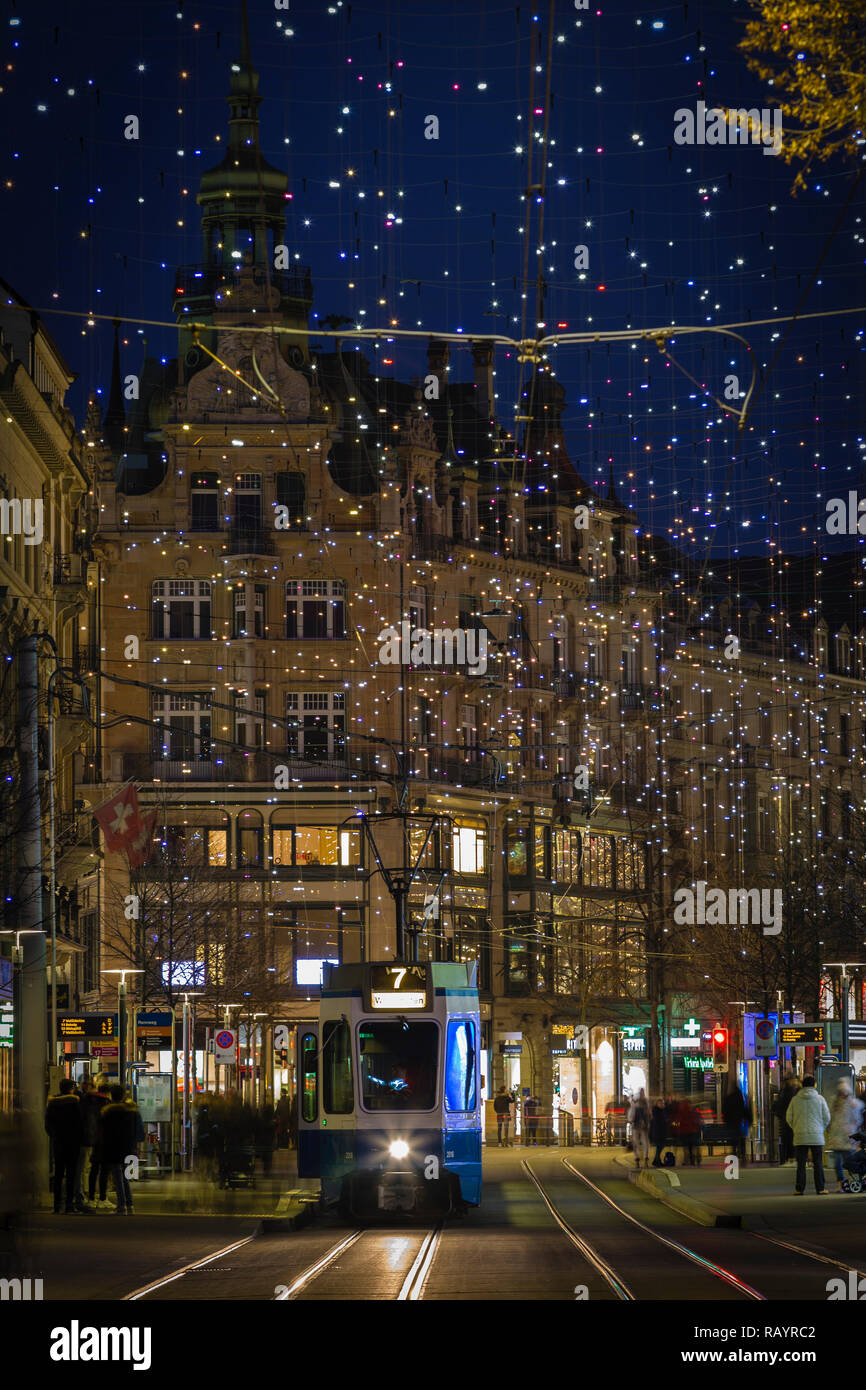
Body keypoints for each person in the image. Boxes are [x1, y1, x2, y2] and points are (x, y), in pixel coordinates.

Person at [99, 1085, 142, 1213]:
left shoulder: (108, 1112)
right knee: (125, 1176)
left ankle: (121, 1205)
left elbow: (104, 1132)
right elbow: (138, 1131)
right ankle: (130, 1204)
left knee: (118, 1176)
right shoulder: (132, 1111)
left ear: (112, 1096)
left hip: (113, 1147)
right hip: (128, 1147)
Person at [786, 1074, 831, 1195]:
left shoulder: (795, 1099)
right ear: (814, 1085)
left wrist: (796, 1128)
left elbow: (788, 1117)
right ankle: (820, 1188)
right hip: (816, 1136)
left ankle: (799, 1189)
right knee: (818, 1163)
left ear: (803, 1085)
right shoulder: (820, 1099)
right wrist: (821, 1128)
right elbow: (827, 1117)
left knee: (801, 1164)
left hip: (800, 1135)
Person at [45, 1078, 83, 1214]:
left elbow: (48, 1124)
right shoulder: (75, 1103)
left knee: (58, 1174)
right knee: (71, 1174)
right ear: (71, 1088)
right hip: (73, 1143)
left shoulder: (53, 1104)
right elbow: (80, 1124)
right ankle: (69, 1205)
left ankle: (56, 1205)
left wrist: (55, 1136)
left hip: (58, 1143)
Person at [825, 1080, 864, 1192]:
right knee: (840, 1163)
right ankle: (842, 1183)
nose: (843, 1094)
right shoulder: (835, 1103)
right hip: (840, 1137)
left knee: (849, 1162)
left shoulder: (852, 1104)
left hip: (847, 1138)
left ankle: (855, 1182)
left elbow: (858, 1119)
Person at [81, 1075, 111, 1208]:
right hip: (104, 1141)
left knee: (92, 1169)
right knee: (104, 1170)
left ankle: (91, 1197)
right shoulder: (106, 1104)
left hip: (89, 1139)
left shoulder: (86, 1101)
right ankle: (103, 1198)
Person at [722, 1084, 753, 1163]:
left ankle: (734, 1154)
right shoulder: (740, 1098)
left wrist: (726, 1120)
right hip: (738, 1121)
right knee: (740, 1137)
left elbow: (725, 1110)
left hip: (731, 1122)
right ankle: (742, 1153)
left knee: (734, 1139)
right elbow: (744, 1109)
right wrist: (749, 1120)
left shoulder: (729, 1098)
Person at [774, 1075, 801, 1163]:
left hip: (785, 1120)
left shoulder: (783, 1091)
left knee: (785, 1140)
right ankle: (791, 1158)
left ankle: (785, 1159)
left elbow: (778, 1106)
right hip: (791, 1121)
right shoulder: (791, 1092)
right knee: (791, 1140)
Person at [627, 1088, 651, 1168]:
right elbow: (632, 1114)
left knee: (644, 1143)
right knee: (639, 1142)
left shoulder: (643, 1103)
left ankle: (643, 1159)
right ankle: (639, 1159)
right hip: (637, 1126)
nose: (642, 1094)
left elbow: (631, 1114)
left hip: (641, 1126)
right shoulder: (640, 1104)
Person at [677, 1098, 702, 1166]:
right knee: (692, 1147)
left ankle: (687, 1160)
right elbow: (698, 1123)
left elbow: (679, 1123)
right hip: (693, 1132)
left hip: (684, 1133)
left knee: (686, 1148)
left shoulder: (681, 1113)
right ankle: (693, 1160)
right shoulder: (694, 1112)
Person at [650, 1098, 667, 1167]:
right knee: (660, 1146)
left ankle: (657, 1160)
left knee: (660, 1146)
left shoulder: (662, 1111)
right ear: (657, 1104)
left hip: (661, 1131)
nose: (662, 1104)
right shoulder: (656, 1111)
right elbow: (658, 1122)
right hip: (658, 1132)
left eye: (663, 1103)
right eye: (661, 1103)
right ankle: (656, 1161)